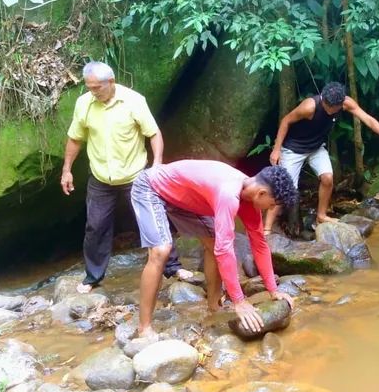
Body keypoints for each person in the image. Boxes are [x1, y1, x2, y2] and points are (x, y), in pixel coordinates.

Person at [61, 61, 190, 293]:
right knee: (96, 227)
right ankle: (93, 277)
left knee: (153, 220)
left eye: (97, 87)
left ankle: (173, 267)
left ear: (111, 82)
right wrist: (66, 169)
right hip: (101, 177)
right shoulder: (84, 104)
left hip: (135, 175)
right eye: (89, 87)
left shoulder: (134, 100)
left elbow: (153, 133)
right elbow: (75, 138)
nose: (93, 92)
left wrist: (157, 165)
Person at [130, 160, 298, 338]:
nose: (270, 209)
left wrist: (273, 290)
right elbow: (224, 251)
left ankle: (214, 306)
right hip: (152, 187)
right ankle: (144, 328)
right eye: (271, 205)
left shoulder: (250, 199)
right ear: (261, 193)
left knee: (215, 242)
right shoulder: (229, 194)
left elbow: (259, 244)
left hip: (187, 199)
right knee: (161, 251)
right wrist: (239, 301)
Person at [265, 81, 379, 231]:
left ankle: (321, 215)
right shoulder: (309, 107)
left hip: (316, 147)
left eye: (334, 108)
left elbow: (368, 119)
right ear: (323, 98)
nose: (330, 110)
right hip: (293, 149)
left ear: (341, 103)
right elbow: (286, 120)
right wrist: (276, 149)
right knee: (285, 190)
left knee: (327, 178)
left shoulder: (346, 103)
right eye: (327, 106)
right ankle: (266, 230)